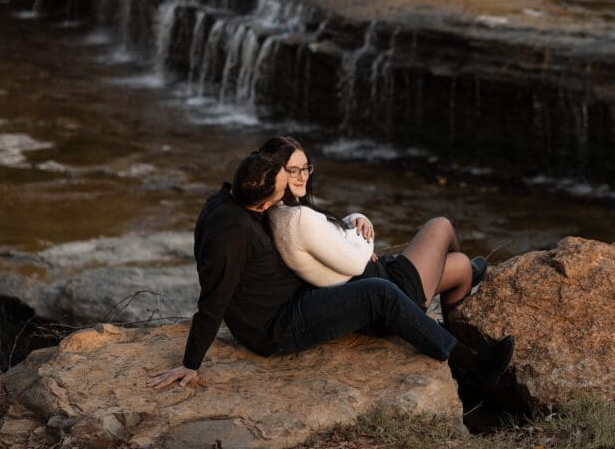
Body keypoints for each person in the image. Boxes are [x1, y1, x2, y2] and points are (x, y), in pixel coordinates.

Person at [147, 150, 512, 391]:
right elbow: (213, 299)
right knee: (379, 292)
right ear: (261, 206)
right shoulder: (231, 235)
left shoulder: (228, 197)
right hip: (276, 327)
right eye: (280, 194)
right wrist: (190, 363)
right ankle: (472, 365)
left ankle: (460, 295)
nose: (286, 197)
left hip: (294, 297)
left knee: (393, 277)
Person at [259, 136, 487, 319]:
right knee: (441, 225)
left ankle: (458, 347)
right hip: (386, 290)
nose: (302, 177)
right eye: (293, 171)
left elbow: (325, 234)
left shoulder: (282, 212)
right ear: (276, 174)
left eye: (305, 168)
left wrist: (356, 218)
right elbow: (356, 263)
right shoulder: (297, 218)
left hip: (378, 277)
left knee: (462, 268)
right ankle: (449, 268)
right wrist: (365, 243)